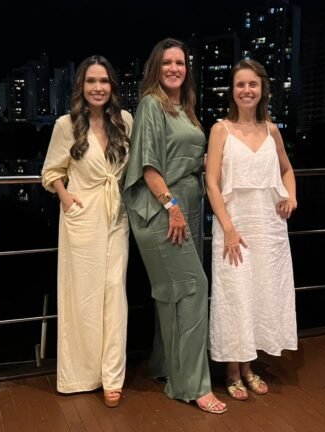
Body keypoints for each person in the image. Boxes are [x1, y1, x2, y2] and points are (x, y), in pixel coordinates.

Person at [123, 38, 227, 415]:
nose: (173, 68)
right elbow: (148, 164)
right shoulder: (152, 103)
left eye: (180, 62)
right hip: (162, 208)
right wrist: (173, 207)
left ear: (187, 67)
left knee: (174, 292)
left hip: (188, 206)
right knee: (193, 289)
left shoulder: (185, 107)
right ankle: (191, 386)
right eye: (166, 62)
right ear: (156, 67)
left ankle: (166, 366)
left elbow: (195, 159)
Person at [41, 55, 133, 408]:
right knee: (82, 298)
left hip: (116, 216)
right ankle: (80, 375)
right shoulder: (67, 125)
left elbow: (140, 161)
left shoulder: (124, 121)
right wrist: (65, 197)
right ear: (81, 86)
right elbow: (51, 171)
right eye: (91, 81)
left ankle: (112, 376)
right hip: (81, 218)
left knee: (114, 294)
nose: (98, 88)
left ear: (113, 87)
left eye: (104, 81)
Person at [205, 59, 299, 401]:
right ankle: (232, 371)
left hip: (269, 227)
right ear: (233, 91)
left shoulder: (272, 130)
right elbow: (212, 184)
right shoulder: (220, 130)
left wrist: (291, 196)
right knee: (235, 296)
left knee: (261, 293)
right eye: (240, 84)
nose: (246, 90)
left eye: (252, 85)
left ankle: (249, 367)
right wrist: (228, 228)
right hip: (235, 226)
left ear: (262, 90)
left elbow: (287, 170)